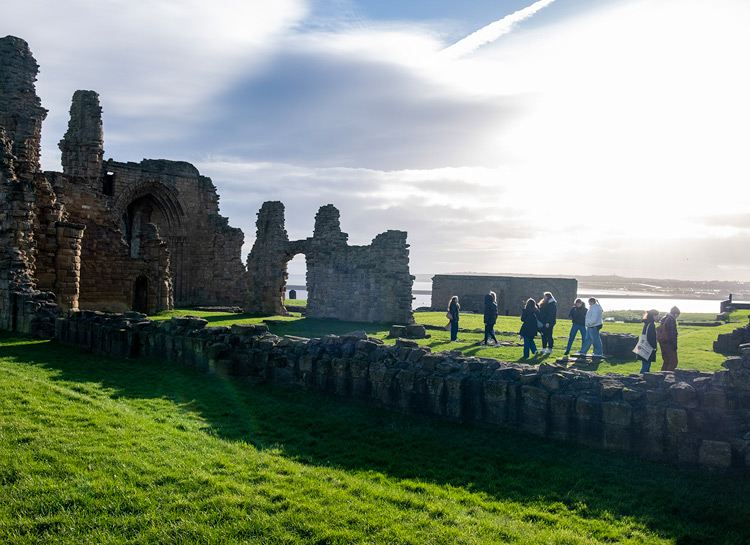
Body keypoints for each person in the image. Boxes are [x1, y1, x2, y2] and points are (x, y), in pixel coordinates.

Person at [659, 306, 680, 371]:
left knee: (666, 361)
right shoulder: (671, 319)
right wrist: (674, 345)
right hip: (669, 343)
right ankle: (668, 376)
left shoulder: (664, 318)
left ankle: (661, 375)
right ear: (675, 313)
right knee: (673, 361)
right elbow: (672, 334)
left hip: (662, 341)